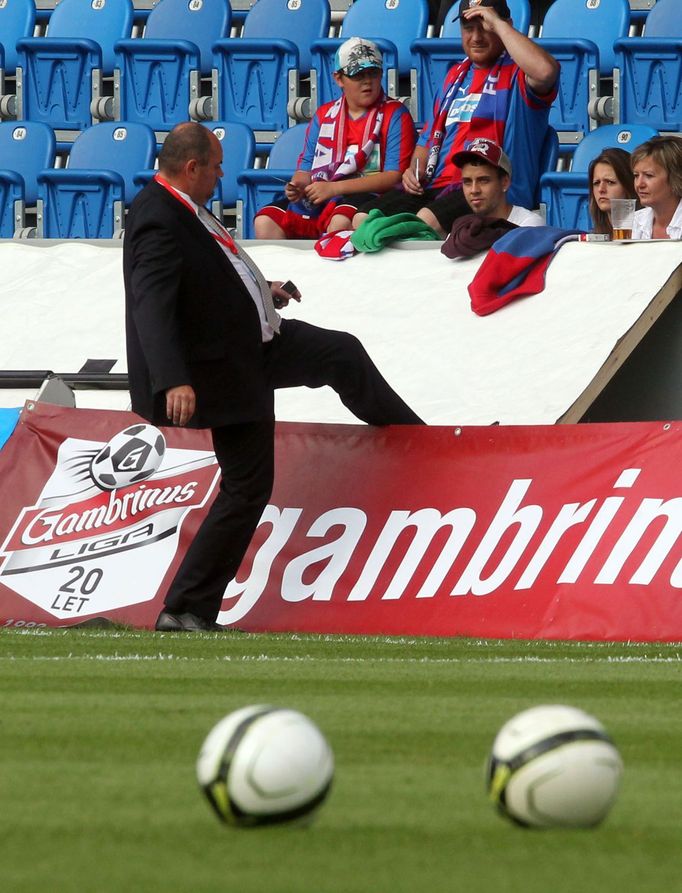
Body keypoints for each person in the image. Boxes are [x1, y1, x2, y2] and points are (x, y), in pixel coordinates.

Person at [124, 122, 424, 633]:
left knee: (339, 353)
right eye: (216, 166)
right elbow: (151, 307)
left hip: (253, 346)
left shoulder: (182, 205)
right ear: (191, 167)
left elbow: (212, 274)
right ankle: (186, 608)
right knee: (246, 488)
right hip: (223, 371)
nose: (222, 175)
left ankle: (412, 438)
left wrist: (263, 291)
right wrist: (173, 379)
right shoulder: (157, 218)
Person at [352, 0, 559, 237]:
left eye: (485, 26)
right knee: (362, 219)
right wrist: (414, 170)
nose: (476, 37)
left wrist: (499, 25)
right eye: (468, 28)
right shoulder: (455, 75)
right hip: (435, 185)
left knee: (423, 222)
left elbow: (545, 71)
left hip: (486, 187)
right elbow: (426, 142)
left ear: (506, 25)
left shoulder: (519, 75)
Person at [254, 37, 416, 239]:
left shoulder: (396, 114)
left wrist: (334, 188)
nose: (368, 81)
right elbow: (305, 169)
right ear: (339, 79)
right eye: (358, 75)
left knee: (340, 221)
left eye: (373, 73)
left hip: (371, 195)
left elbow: (393, 177)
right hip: (325, 191)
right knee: (265, 221)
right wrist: (297, 186)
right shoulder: (324, 115)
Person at [454, 137, 544, 226]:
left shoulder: (528, 225)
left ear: (505, 183)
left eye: (483, 180)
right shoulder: (462, 229)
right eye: (467, 182)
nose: (474, 190)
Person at [630, 135, 682, 241]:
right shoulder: (635, 220)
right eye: (636, 175)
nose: (639, 184)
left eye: (649, 175)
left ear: (676, 177)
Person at [588, 147, 637, 238]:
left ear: (629, 185)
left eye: (610, 182)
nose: (601, 189)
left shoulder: (647, 232)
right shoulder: (594, 237)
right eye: (596, 183)